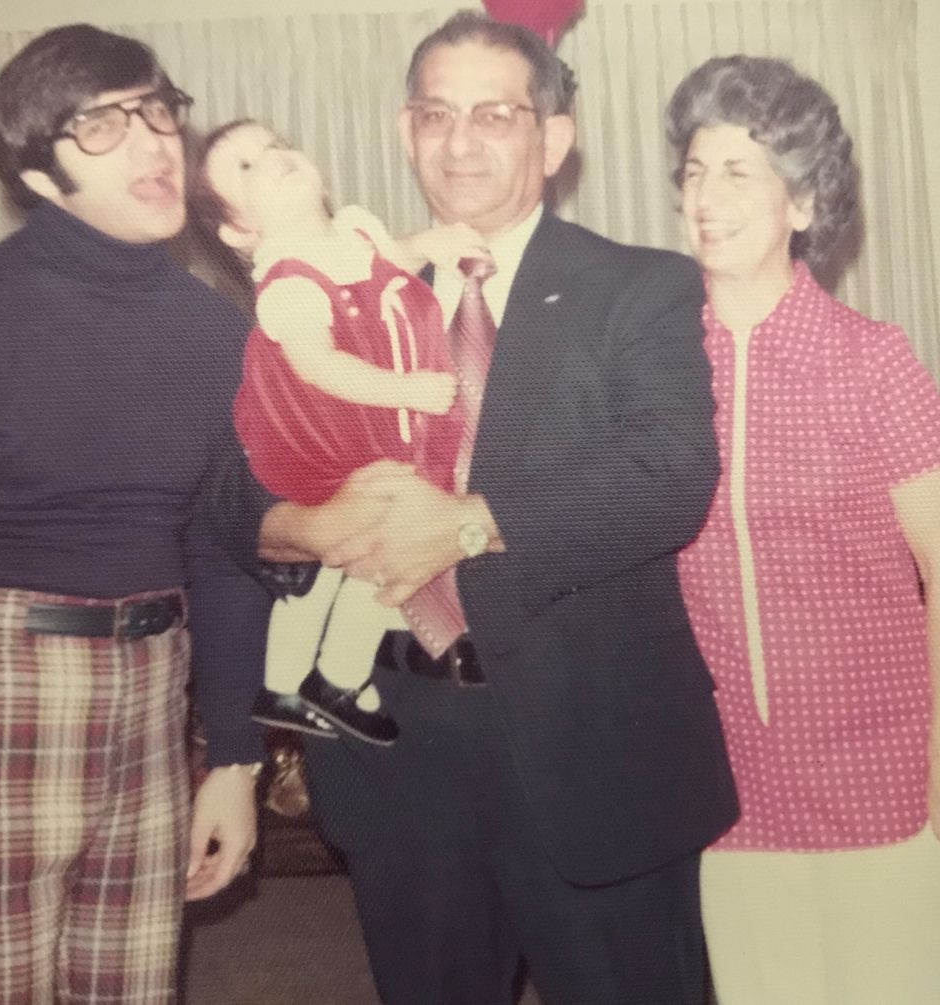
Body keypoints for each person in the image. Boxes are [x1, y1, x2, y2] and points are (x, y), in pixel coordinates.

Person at [206, 10, 738, 1003]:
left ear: (554, 138)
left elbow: (669, 472)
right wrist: (306, 524)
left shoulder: (641, 286)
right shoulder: (337, 281)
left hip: (592, 749)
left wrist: (464, 525)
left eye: (494, 115)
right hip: (395, 749)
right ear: (405, 132)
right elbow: (232, 491)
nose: (459, 142)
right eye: (435, 115)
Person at [0, 24, 268, 1003]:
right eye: (103, 124)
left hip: (151, 686)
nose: (152, 141)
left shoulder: (219, 333)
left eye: (156, 111)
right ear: (39, 172)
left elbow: (219, 550)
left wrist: (235, 756)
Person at [666, 54, 940, 1004]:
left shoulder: (873, 363)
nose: (707, 196)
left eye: (739, 172)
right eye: (695, 171)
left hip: (882, 774)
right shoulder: (658, 364)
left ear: (804, 203)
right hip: (727, 787)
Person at [192, 120, 484, 745]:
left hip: (371, 437)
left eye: (275, 145)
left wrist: (429, 242)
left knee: (366, 561)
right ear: (239, 230)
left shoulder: (354, 233)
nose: (273, 158)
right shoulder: (289, 282)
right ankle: (293, 682)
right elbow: (318, 366)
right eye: (246, 167)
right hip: (321, 442)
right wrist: (406, 389)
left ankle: (328, 677)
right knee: (336, 560)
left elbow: (391, 260)